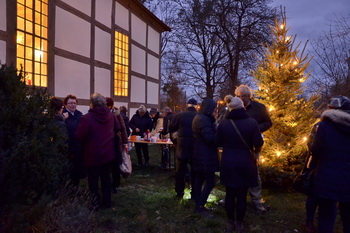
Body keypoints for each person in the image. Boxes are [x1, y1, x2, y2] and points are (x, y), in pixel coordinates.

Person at [216, 96, 264, 232]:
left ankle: (230, 222)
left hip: (228, 162)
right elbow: (258, 142)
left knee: (230, 194)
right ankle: (240, 223)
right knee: (242, 195)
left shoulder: (224, 124)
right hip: (245, 162)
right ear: (243, 107)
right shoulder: (252, 123)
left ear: (230, 108)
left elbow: (218, 142)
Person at [309, 96, 350, 233]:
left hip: (327, 177)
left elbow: (315, 150)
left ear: (330, 109)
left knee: (326, 215)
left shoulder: (323, 127)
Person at [76, 93, 121, 209]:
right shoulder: (111, 116)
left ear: (92, 104)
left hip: (92, 155)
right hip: (108, 154)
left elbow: (80, 135)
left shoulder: (86, 118)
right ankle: (107, 203)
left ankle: (94, 204)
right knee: (106, 179)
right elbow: (117, 128)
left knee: (93, 181)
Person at [235, 84, 272, 212]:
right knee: (236, 171)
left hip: (253, 146)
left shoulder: (259, 108)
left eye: (243, 96)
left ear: (249, 96)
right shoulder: (234, 107)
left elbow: (268, 122)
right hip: (237, 145)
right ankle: (234, 197)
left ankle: (255, 199)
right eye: (238, 96)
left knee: (254, 172)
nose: (240, 98)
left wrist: (256, 129)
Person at [192, 98, 219, 218]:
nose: (215, 111)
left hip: (199, 154)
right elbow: (209, 138)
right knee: (210, 182)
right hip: (205, 156)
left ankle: (197, 202)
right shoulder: (204, 120)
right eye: (214, 109)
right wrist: (219, 134)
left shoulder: (200, 117)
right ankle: (200, 206)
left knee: (199, 180)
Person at [169, 98, 198, 198]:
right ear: (196, 106)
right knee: (195, 171)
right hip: (195, 147)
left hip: (181, 146)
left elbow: (171, 128)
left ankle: (179, 192)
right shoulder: (199, 116)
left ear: (187, 105)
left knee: (180, 170)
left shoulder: (180, 115)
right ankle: (194, 193)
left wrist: (175, 141)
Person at [106, 97, 128, 194]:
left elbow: (123, 128)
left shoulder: (117, 114)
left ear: (110, 106)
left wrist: (125, 142)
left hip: (116, 142)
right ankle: (107, 184)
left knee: (116, 164)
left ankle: (115, 184)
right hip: (106, 143)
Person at [63, 94, 86, 186]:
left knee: (77, 170)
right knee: (69, 171)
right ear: (65, 104)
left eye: (75, 103)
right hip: (68, 146)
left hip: (79, 146)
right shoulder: (63, 115)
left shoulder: (79, 114)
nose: (73, 105)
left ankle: (76, 187)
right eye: (71, 103)